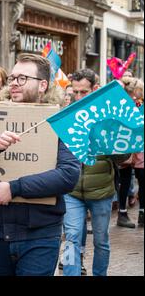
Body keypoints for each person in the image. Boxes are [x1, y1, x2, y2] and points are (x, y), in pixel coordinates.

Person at [0, 53, 81, 276]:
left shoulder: (61, 120)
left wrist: (14, 188)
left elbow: (69, 175)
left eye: (22, 78)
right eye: (12, 77)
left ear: (42, 85)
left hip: (40, 234)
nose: (14, 82)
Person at [62, 68, 130, 276]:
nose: (79, 96)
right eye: (76, 92)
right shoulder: (66, 115)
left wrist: (112, 143)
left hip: (101, 191)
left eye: (84, 92)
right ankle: (70, 273)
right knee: (71, 237)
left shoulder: (109, 117)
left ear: (95, 89)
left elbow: (123, 157)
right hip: (72, 190)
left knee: (101, 241)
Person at [116, 77, 144, 228]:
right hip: (124, 147)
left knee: (139, 180)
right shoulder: (121, 107)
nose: (137, 98)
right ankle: (122, 213)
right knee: (124, 181)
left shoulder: (139, 104)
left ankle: (139, 212)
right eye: (136, 95)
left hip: (138, 149)